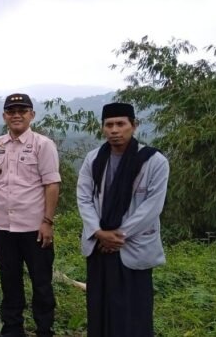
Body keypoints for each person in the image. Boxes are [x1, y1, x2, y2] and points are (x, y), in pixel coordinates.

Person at [77, 102, 169, 337]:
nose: (114, 130)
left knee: (133, 309)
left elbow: (152, 206)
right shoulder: (94, 159)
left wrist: (118, 236)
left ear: (133, 126)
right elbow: (84, 198)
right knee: (99, 305)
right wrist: (98, 232)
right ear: (102, 128)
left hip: (131, 245)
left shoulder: (154, 161)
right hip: (99, 246)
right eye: (109, 125)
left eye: (121, 124)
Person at [0, 93, 61, 337]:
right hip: (4, 227)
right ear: (4, 116)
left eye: (22, 110)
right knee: (9, 281)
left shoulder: (42, 145)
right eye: (11, 111)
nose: (16, 115)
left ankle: (44, 329)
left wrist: (47, 222)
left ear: (31, 115)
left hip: (34, 228)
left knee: (41, 282)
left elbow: (52, 185)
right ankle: (13, 329)